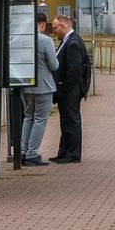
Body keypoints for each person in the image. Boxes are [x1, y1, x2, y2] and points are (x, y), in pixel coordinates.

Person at [20, 12, 58, 166]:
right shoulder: (46, 41)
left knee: (28, 117)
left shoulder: (23, 38)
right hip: (43, 87)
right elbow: (54, 65)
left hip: (26, 86)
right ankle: (31, 153)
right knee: (40, 119)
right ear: (42, 24)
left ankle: (22, 151)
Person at [51, 12, 89, 163]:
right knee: (65, 121)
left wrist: (64, 89)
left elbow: (74, 70)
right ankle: (63, 152)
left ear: (64, 25)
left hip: (70, 90)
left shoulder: (73, 43)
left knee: (71, 120)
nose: (53, 32)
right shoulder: (67, 41)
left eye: (55, 28)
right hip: (66, 90)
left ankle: (73, 154)